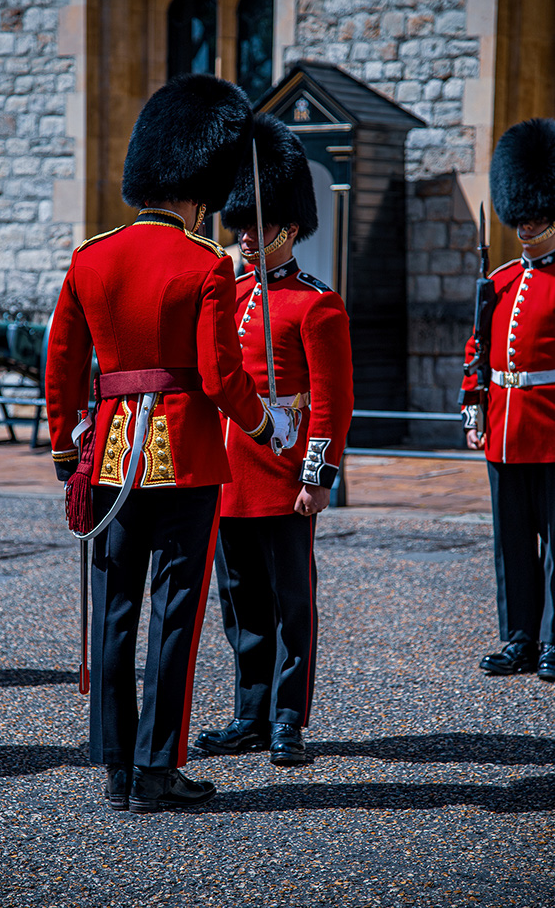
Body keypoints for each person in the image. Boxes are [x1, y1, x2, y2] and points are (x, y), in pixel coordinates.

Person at [45, 74, 293, 813]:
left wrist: (67, 451)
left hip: (111, 453)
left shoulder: (91, 256)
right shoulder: (204, 262)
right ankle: (158, 767)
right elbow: (220, 374)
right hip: (184, 454)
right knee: (174, 613)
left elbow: (61, 361)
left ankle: (117, 768)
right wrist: (264, 426)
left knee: (116, 609)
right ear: (198, 188)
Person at [195, 113, 354, 766]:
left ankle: (288, 716)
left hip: (283, 470)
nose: (245, 237)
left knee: (292, 602)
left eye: (257, 227)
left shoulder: (315, 305)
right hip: (226, 470)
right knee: (241, 606)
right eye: (241, 227)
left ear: (289, 229)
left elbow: (334, 400)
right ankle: (249, 712)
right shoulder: (228, 295)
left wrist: (317, 476)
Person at [460, 117, 555, 682]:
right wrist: (472, 406)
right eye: (520, 217)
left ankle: (552, 640)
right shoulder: (497, 282)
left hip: (550, 426)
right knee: (512, 543)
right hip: (503, 425)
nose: (526, 227)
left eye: (536, 217)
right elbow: (479, 349)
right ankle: (519, 636)